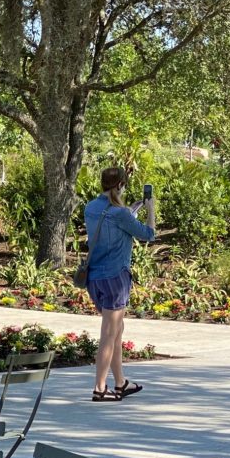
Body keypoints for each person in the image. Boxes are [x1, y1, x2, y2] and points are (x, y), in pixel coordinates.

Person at [84, 167, 155, 402]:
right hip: (115, 277)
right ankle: (100, 387)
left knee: (117, 330)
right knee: (108, 334)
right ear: (121, 185)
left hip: (95, 278)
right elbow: (148, 234)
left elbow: (110, 223)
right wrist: (150, 209)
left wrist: (131, 209)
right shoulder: (121, 213)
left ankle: (120, 382)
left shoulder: (91, 208)